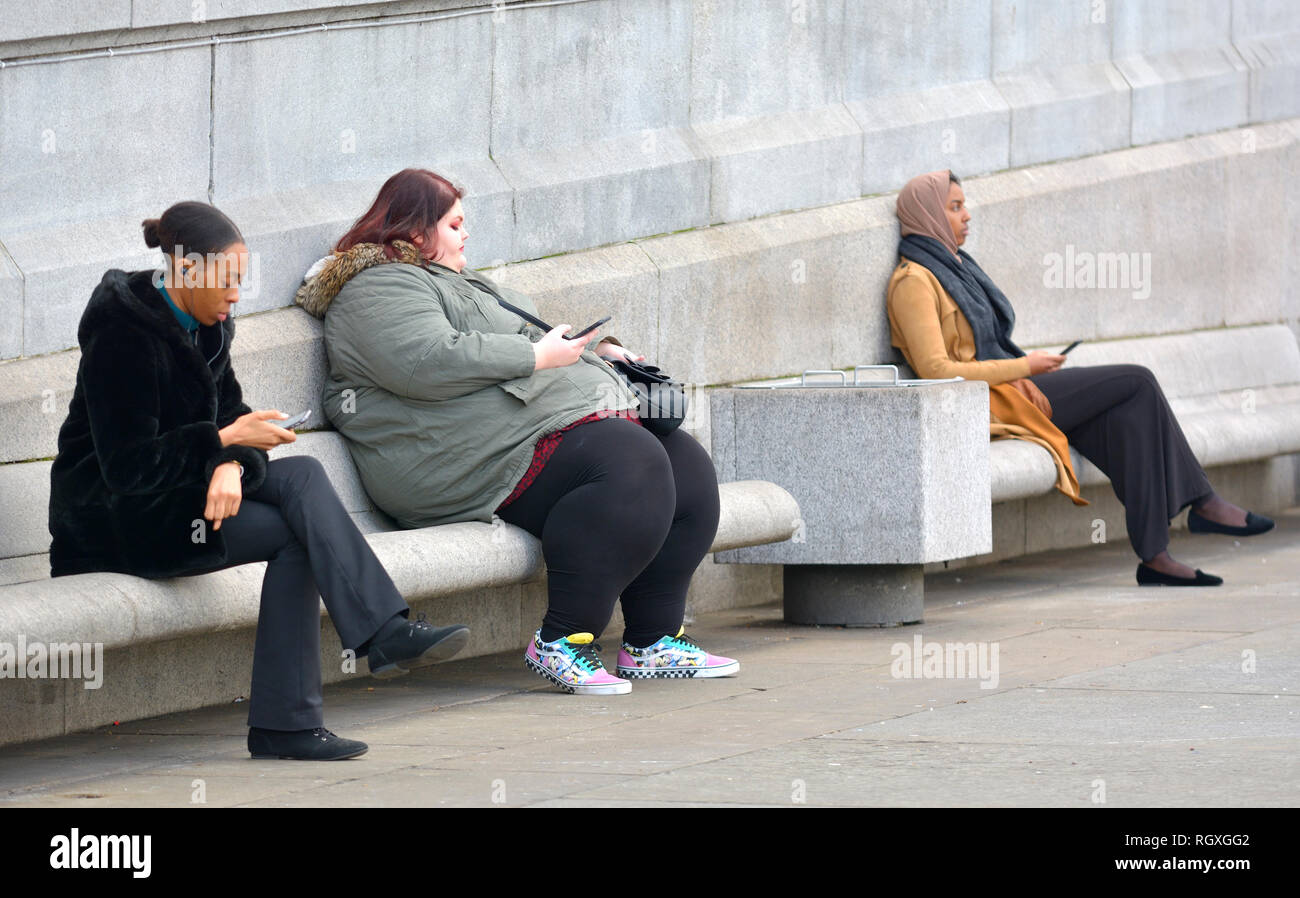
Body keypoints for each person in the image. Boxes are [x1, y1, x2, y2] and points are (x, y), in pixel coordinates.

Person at [48, 201, 470, 760]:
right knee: (298, 520)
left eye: (240, 282)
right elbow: (127, 470)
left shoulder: (209, 324)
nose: (236, 296)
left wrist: (228, 461)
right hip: (115, 524)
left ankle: (308, 707)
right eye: (228, 282)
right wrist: (221, 445)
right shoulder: (123, 336)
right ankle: (320, 692)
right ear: (189, 273)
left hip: (179, 501)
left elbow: (231, 414)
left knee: (303, 482)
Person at [296, 168, 738, 694]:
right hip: (447, 461)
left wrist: (594, 353)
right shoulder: (376, 286)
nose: (466, 235)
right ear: (417, 233)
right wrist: (535, 357)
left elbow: (524, 337)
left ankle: (652, 641)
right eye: (455, 224)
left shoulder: (454, 283)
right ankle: (563, 642)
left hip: (505, 440)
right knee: (629, 464)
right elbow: (425, 362)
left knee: (682, 463)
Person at [886, 170, 1274, 586]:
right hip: (986, 403)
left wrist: (1023, 370)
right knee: (1138, 382)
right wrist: (1026, 367)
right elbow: (937, 371)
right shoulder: (914, 282)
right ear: (927, 213)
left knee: (1127, 417)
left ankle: (1156, 558)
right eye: (955, 207)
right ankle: (1203, 503)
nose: (967, 216)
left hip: (1009, 389)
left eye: (965, 206)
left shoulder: (955, 268)